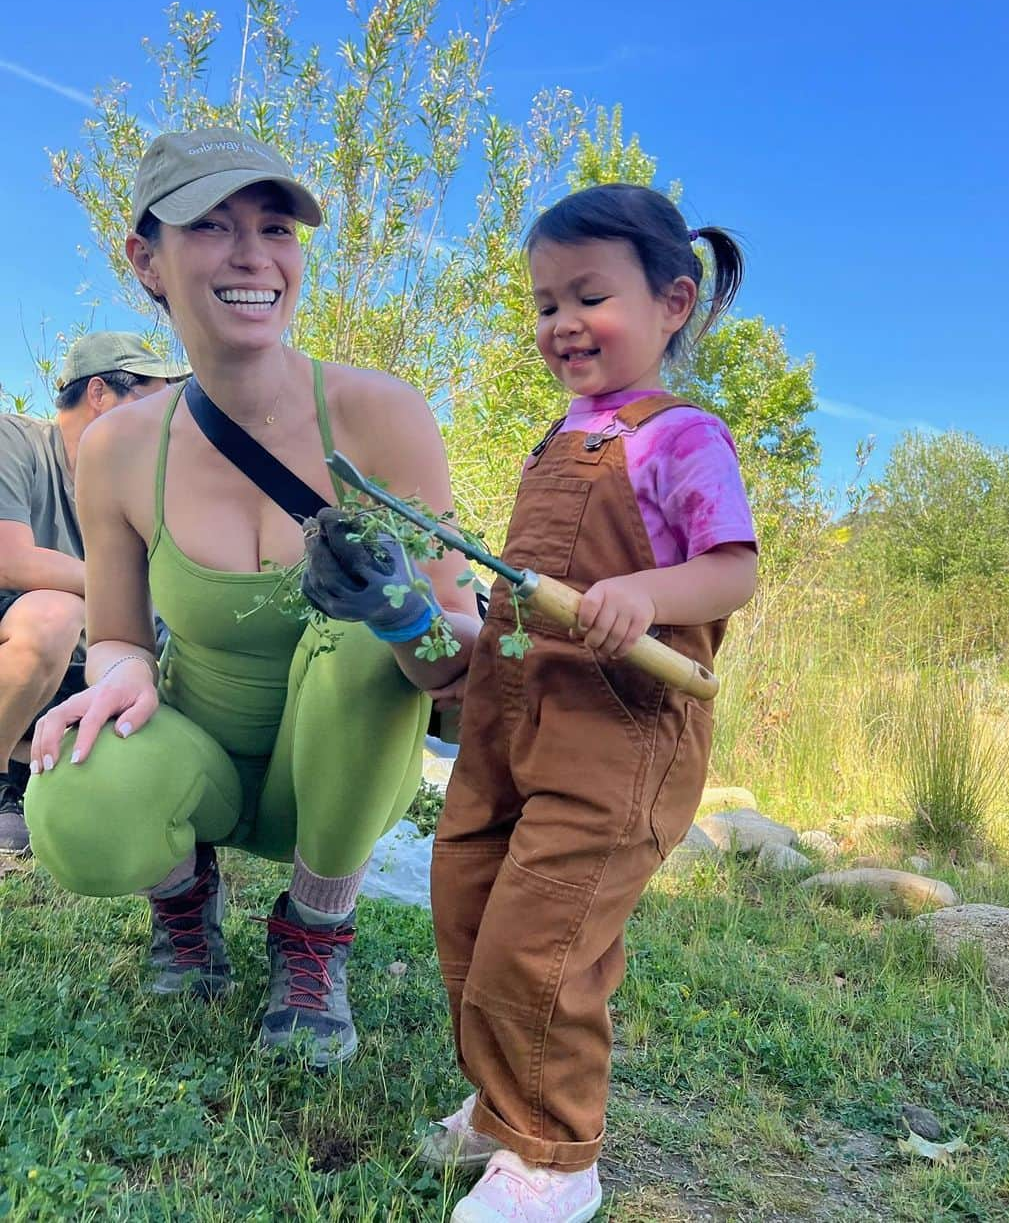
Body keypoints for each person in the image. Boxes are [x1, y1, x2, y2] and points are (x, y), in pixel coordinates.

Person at [27, 127, 480, 1067]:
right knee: (69, 799)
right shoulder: (115, 448)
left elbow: (456, 670)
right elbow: (115, 635)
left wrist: (400, 609)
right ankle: (186, 902)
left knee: (360, 634)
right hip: (203, 763)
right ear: (146, 259)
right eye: (211, 226)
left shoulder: (382, 415)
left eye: (277, 228)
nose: (253, 256)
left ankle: (315, 933)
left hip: (342, 776)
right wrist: (115, 675)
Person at [422, 184, 759, 1222]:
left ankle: (559, 1159)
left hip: (616, 738)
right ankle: (501, 1106)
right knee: (471, 905)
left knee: (546, 936)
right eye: (543, 303)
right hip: (509, 721)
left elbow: (733, 567)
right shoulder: (554, 438)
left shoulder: (680, 434)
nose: (562, 323)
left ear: (673, 303)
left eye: (589, 296)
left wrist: (647, 594)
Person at [0, 333, 186, 854]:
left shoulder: (133, 486)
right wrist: (121, 586)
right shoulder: (13, 441)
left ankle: (28, 767)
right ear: (100, 393)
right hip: (21, 635)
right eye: (153, 399)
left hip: (74, 667)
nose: (166, 419)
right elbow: (9, 560)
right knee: (55, 615)